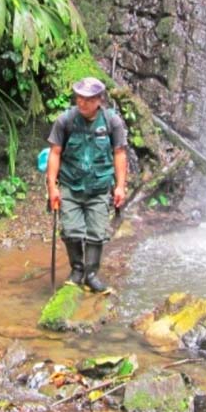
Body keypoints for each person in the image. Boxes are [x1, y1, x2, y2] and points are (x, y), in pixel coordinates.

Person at [45, 77, 128, 293]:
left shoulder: (112, 122)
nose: (82, 103)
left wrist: (120, 186)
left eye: (89, 99)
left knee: (97, 233)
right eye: (80, 98)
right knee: (71, 231)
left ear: (99, 100)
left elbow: (119, 153)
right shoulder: (65, 120)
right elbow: (55, 153)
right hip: (70, 184)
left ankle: (91, 275)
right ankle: (77, 270)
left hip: (99, 186)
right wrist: (52, 187)